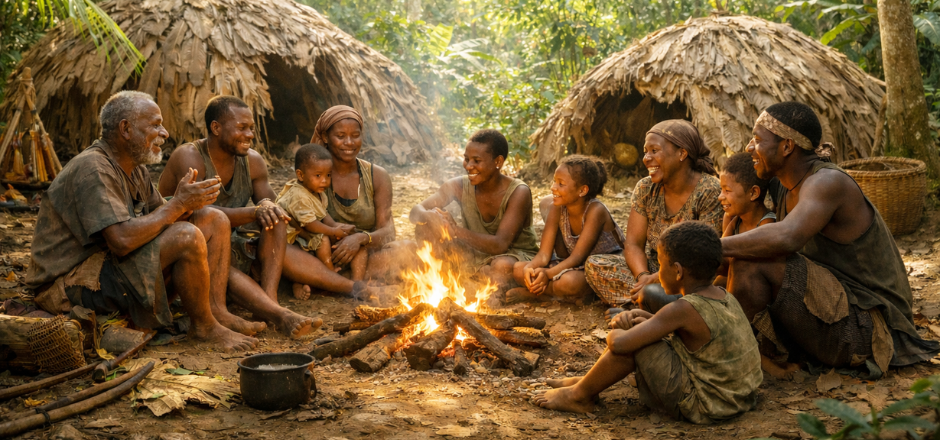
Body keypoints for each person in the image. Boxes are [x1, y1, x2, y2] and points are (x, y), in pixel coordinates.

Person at [27, 91, 258, 352]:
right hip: (69, 284)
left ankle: (217, 312)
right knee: (186, 236)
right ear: (125, 129)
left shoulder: (135, 169)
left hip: (107, 268)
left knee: (212, 218)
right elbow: (122, 241)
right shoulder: (93, 168)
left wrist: (190, 203)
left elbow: (162, 216)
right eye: (155, 124)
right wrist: (178, 204)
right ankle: (204, 328)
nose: (165, 132)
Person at [722, 101, 940, 379]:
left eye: (757, 140)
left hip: (871, 330)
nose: (750, 147)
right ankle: (751, 355)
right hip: (835, 311)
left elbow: (787, 237)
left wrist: (710, 245)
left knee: (749, 262)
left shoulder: (826, 182)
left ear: (787, 147)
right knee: (732, 265)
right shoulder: (782, 185)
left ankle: (740, 364)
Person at [533, 222, 762, 424]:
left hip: (705, 405)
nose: (657, 271)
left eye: (660, 265)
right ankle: (588, 382)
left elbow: (620, 345)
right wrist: (650, 320)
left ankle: (579, 395)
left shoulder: (683, 308)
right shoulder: (723, 295)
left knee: (636, 341)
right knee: (642, 331)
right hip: (737, 397)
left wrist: (619, 329)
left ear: (678, 271)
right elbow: (698, 340)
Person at [159, 96, 322, 337]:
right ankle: (278, 314)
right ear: (216, 128)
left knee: (275, 218)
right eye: (242, 128)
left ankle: (269, 301)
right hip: (187, 248)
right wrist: (254, 211)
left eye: (252, 128)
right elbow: (202, 215)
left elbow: (270, 202)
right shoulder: (190, 158)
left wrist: (266, 204)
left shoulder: (253, 161)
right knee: (221, 247)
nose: (250, 135)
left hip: (231, 241)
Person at [587, 120, 722, 315]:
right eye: (645, 151)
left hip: (688, 274)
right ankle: (652, 305)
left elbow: (705, 257)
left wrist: (657, 278)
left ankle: (649, 307)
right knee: (595, 265)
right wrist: (643, 276)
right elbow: (633, 244)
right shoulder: (645, 188)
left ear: (682, 154)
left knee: (689, 292)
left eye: (654, 151)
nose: (646, 158)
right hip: (652, 269)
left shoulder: (709, 190)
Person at [410, 129, 539, 291]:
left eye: (476, 160)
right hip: (475, 252)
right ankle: (460, 281)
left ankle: (481, 282)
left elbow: (500, 245)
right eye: (466, 159)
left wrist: (454, 231)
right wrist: (428, 216)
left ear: (498, 162)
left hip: (513, 255)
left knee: (502, 267)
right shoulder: (458, 186)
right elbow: (415, 211)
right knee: (425, 226)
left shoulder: (518, 192)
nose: (469, 166)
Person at [506, 155, 624, 304]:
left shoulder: (595, 211)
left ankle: (541, 295)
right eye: (554, 181)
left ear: (582, 190)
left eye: (561, 184)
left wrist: (547, 274)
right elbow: (543, 254)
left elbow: (577, 258)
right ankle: (557, 294)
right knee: (518, 269)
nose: (553, 187)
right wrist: (530, 268)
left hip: (601, 270)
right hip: (573, 266)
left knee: (570, 282)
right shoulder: (557, 208)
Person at [276, 144, 365, 294]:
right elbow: (311, 225)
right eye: (318, 176)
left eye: (328, 175)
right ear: (301, 175)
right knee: (323, 240)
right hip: (291, 239)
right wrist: (332, 231)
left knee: (351, 239)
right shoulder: (299, 196)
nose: (324, 181)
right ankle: (330, 277)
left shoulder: (318, 192)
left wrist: (339, 227)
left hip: (305, 234)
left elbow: (324, 216)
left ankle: (357, 282)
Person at [714, 152, 776, 288]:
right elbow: (722, 261)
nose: (720, 197)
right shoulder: (733, 220)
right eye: (721, 190)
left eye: (727, 191)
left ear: (753, 193)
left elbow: (745, 269)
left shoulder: (768, 224)